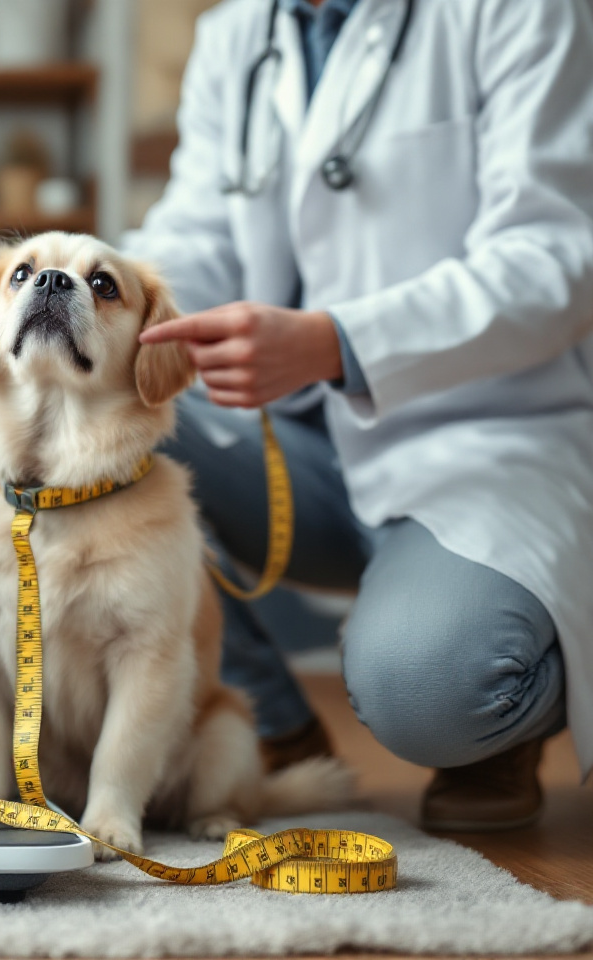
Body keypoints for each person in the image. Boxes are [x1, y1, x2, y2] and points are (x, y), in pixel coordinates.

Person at [122, 0, 593, 830]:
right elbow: (193, 239)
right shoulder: (240, 34)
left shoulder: (519, 13)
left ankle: (501, 714)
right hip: (297, 443)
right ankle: (271, 724)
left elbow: (554, 260)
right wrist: (94, 305)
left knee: (430, 688)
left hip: (483, 437)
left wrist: (340, 342)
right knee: (97, 437)